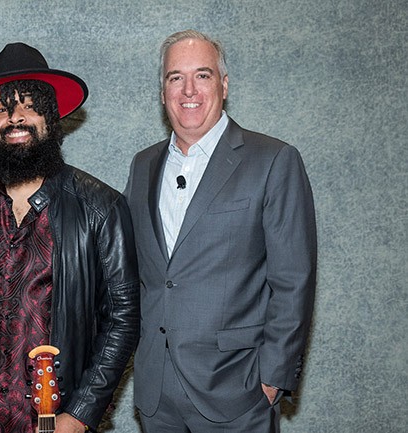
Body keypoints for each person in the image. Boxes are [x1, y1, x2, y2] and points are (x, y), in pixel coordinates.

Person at [125, 30, 317, 432]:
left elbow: (293, 280)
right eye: (175, 77)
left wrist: (272, 377)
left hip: (237, 390)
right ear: (162, 92)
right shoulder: (142, 166)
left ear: (224, 85)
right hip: (157, 395)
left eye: (203, 75)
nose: (188, 89)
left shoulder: (273, 160)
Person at [0, 43, 140, 433]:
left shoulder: (101, 206)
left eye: (29, 106)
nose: (15, 118)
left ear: (51, 118)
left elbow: (123, 318)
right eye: (3, 109)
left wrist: (82, 413)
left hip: (56, 420)